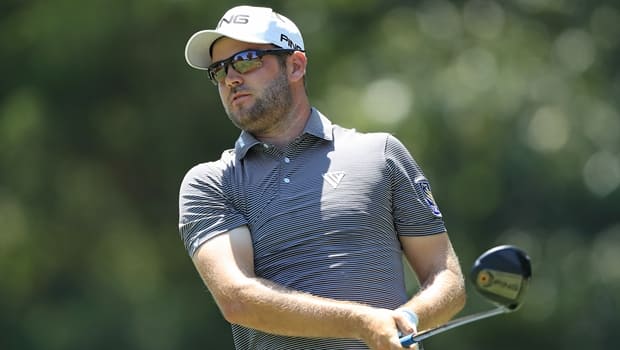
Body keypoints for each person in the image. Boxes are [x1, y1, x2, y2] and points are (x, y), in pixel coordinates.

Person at [178, 5, 466, 350]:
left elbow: (446, 276)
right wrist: (363, 323)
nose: (231, 78)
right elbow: (237, 298)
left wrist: (407, 319)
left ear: (296, 65)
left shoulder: (381, 154)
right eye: (219, 70)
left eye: (247, 59)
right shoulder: (212, 182)